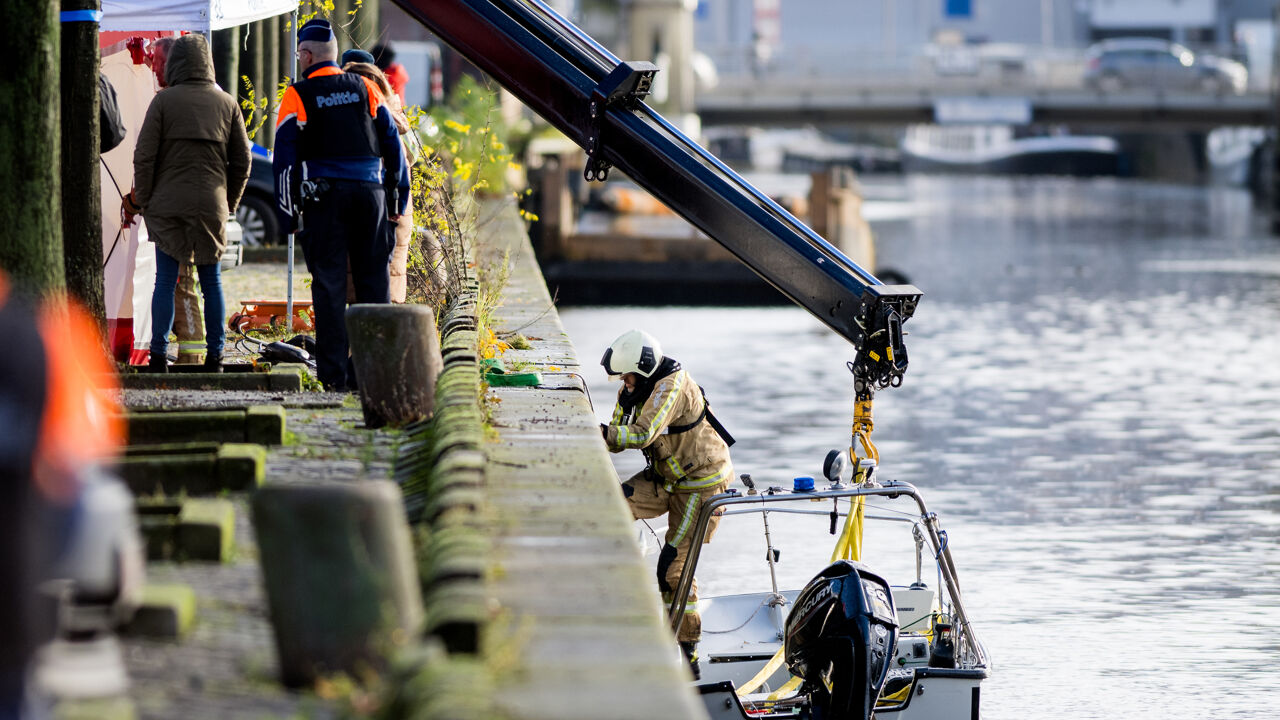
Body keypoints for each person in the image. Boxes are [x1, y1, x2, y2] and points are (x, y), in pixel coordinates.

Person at [273, 19, 407, 390]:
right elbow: (392, 144)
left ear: (306, 54)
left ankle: (334, 377)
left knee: (329, 286)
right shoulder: (365, 87)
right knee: (373, 284)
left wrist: (289, 215)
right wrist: (398, 197)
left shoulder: (298, 95)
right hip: (370, 195)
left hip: (324, 197)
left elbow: (284, 160)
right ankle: (375, 373)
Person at [600, 329, 734, 679]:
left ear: (643, 369)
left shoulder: (671, 387)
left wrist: (604, 433)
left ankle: (687, 653)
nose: (624, 383)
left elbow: (642, 434)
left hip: (700, 484)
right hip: (668, 477)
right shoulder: (632, 391)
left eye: (627, 376)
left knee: (672, 567)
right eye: (621, 378)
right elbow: (614, 439)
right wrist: (596, 431)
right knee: (609, 505)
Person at [125, 33, 250, 374]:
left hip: (166, 205)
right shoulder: (227, 103)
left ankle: (158, 355)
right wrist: (229, 203)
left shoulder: (163, 102)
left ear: (178, 63)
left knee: (165, 281)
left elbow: (144, 157)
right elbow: (242, 161)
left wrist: (146, 202)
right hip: (211, 205)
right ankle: (216, 355)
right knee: (212, 282)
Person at [148, 36, 207, 367]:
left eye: (157, 61)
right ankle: (197, 351)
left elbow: (149, 158)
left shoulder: (169, 102)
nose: (153, 66)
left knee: (180, 282)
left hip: (177, 210)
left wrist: (138, 199)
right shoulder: (205, 98)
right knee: (184, 281)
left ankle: (192, 356)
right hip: (193, 206)